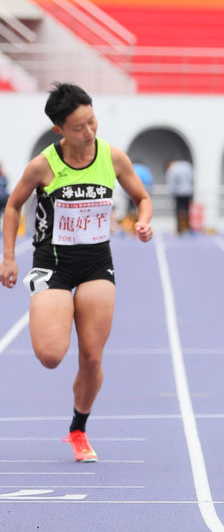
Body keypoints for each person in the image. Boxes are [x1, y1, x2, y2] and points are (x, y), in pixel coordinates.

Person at [0, 83, 153, 463]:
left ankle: (78, 430)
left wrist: (144, 222)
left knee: (92, 358)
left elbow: (142, 198)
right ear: (59, 130)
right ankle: (57, 309)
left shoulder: (112, 157)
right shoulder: (43, 165)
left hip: (96, 263)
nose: (89, 131)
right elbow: (13, 206)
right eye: (79, 127)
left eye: (92, 121)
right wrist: (8, 257)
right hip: (52, 262)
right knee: (51, 355)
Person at [165, 158, 194, 235]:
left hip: (177, 193)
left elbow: (171, 184)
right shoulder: (187, 166)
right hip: (187, 192)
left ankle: (179, 229)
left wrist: (170, 197)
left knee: (178, 211)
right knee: (187, 210)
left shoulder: (172, 169)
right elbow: (192, 178)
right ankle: (187, 228)